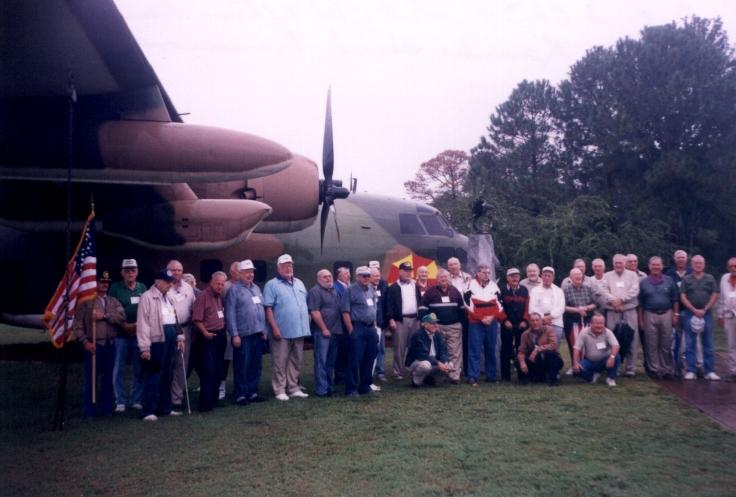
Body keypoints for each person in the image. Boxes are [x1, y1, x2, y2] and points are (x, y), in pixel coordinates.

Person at [74, 271, 125, 417]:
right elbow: (78, 326)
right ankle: (89, 409)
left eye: (107, 282)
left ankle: (106, 408)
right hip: (94, 345)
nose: (105, 285)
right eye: (102, 282)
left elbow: (121, 317)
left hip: (110, 344)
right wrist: (85, 342)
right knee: (91, 379)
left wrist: (104, 316)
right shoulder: (86, 303)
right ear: (94, 283)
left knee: (108, 378)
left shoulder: (113, 301)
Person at [137, 269, 185, 421]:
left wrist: (179, 336)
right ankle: (148, 410)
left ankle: (165, 407)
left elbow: (174, 318)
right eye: (167, 282)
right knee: (153, 375)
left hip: (170, 338)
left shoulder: (168, 297)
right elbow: (143, 323)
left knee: (167, 374)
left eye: (171, 282)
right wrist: (144, 347)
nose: (170, 285)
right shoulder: (147, 297)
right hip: (156, 340)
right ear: (157, 282)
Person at [263, 254, 311, 400]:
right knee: (280, 362)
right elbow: (268, 308)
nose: (288, 268)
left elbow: (305, 304)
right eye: (285, 266)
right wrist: (275, 328)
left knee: (296, 361)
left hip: (299, 330)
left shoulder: (299, 283)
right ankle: (279, 390)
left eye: (290, 265)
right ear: (278, 268)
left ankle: (293, 388)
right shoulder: (271, 285)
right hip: (281, 331)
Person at [226, 260, 268, 405]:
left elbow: (261, 310)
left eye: (252, 272)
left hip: (257, 333)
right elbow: (230, 313)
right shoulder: (234, 290)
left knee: (255, 365)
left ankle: (253, 392)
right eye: (247, 272)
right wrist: (234, 334)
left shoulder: (256, 288)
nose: (250, 274)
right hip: (243, 335)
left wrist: (264, 330)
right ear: (240, 274)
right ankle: (240, 394)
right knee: (242, 365)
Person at [108, 258, 146, 412]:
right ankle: (120, 400)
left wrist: (137, 325)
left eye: (133, 270)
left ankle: (136, 399)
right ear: (122, 273)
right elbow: (111, 310)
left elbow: (146, 308)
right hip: (120, 334)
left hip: (138, 334)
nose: (130, 273)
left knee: (139, 368)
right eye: (127, 271)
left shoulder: (142, 287)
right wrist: (124, 325)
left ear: (137, 272)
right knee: (119, 368)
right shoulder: (115, 288)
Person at [421, 269, 465, 383]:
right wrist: (424, 322)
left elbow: (462, 309)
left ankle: (454, 375)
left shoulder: (455, 291)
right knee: (439, 351)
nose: (443, 279)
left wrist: (461, 323)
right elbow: (423, 308)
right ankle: (440, 375)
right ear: (437, 279)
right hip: (437, 326)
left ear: (449, 278)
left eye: (445, 277)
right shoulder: (430, 292)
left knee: (455, 352)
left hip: (454, 326)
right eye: (441, 277)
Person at [680, 255, 720, 381]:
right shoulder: (686, 279)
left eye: (700, 263)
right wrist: (693, 309)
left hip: (706, 313)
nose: (698, 265)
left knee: (708, 343)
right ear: (691, 265)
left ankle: (710, 371)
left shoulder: (710, 278)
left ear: (704, 264)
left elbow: (715, 294)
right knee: (690, 343)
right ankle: (691, 370)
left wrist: (705, 309)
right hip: (690, 313)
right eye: (696, 263)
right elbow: (683, 296)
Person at [638, 256, 679, 379]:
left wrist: (675, 314)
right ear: (649, 266)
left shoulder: (669, 280)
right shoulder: (644, 282)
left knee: (666, 343)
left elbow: (675, 299)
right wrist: (641, 320)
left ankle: (667, 369)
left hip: (666, 314)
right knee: (652, 344)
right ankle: (654, 369)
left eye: (658, 265)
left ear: (662, 266)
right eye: (653, 265)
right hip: (649, 314)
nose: (656, 267)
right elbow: (640, 304)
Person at [600, 254, 640, 376]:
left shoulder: (633, 275)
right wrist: (614, 301)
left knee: (632, 338)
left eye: (620, 263)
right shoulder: (607, 275)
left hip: (629, 310)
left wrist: (621, 300)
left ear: (625, 264)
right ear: (613, 264)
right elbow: (603, 290)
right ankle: (616, 366)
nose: (618, 265)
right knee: (613, 338)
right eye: (616, 263)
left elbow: (634, 290)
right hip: (613, 311)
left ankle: (630, 368)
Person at [191, 272, 227, 411]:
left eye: (222, 284)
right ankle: (205, 404)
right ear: (211, 282)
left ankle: (214, 400)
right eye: (217, 283)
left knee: (218, 369)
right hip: (207, 337)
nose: (220, 286)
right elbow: (197, 319)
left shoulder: (219, 296)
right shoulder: (203, 296)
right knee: (208, 370)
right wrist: (205, 333)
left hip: (219, 336)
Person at [341, 266, 378, 397]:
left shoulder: (371, 289)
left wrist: (374, 325)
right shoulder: (350, 290)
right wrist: (351, 329)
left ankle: (365, 386)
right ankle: (351, 389)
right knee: (354, 359)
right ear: (357, 277)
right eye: (364, 276)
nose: (367, 278)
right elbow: (345, 311)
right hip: (358, 327)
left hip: (370, 328)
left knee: (369, 358)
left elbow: (373, 308)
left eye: (368, 275)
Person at [465, 264, 505, 385]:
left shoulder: (494, 285)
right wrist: (481, 318)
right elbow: (467, 304)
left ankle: (491, 376)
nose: (487, 275)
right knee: (475, 349)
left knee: (491, 349)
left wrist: (492, 317)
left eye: (488, 273)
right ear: (478, 273)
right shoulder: (469, 284)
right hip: (476, 322)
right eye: (484, 272)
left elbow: (500, 303)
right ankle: (473, 376)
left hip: (491, 322)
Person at [307, 269, 342, 397]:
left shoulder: (334, 291)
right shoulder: (315, 291)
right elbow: (314, 312)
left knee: (330, 362)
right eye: (325, 277)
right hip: (322, 333)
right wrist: (324, 329)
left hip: (335, 332)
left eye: (330, 276)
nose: (328, 279)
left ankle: (329, 387)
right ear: (318, 279)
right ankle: (321, 389)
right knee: (321, 361)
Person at [167, 260, 196, 410]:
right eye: (173, 270)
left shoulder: (188, 288)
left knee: (182, 365)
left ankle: (176, 399)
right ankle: (164, 397)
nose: (176, 273)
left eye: (179, 270)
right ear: (168, 271)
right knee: (168, 364)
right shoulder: (164, 287)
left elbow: (193, 307)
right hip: (168, 330)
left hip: (185, 329)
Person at [385, 262, 421, 380]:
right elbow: (389, 304)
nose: (408, 273)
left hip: (415, 319)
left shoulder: (415, 285)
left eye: (410, 270)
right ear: (400, 272)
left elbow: (419, 301)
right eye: (406, 270)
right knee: (399, 347)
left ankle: (412, 369)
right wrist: (391, 319)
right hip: (400, 320)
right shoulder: (393, 287)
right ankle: (398, 371)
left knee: (414, 346)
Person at [665, 249, 693, 376]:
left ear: (686, 259)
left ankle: (689, 368)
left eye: (683, 257)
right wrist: (673, 312)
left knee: (689, 342)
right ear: (674, 259)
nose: (681, 259)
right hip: (673, 311)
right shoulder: (669, 273)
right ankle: (674, 368)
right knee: (674, 341)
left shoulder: (692, 272)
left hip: (689, 311)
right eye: (678, 257)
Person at [573, 313, 621, 386]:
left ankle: (611, 378)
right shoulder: (584, 332)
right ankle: (593, 376)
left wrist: (612, 357)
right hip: (590, 361)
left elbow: (616, 346)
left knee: (616, 357)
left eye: (601, 323)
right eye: (596, 323)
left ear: (604, 324)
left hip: (605, 361)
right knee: (578, 369)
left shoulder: (608, 332)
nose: (599, 326)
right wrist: (575, 363)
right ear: (591, 324)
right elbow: (576, 348)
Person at [405, 313, 450, 387]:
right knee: (425, 365)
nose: (435, 325)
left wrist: (445, 362)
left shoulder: (437, 334)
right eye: (432, 323)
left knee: (450, 365)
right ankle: (416, 381)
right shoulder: (418, 335)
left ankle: (430, 379)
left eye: (436, 323)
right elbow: (423, 356)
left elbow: (443, 351)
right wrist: (438, 363)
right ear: (424, 324)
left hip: (432, 361)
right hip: (416, 362)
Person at [499, 267, 529, 382]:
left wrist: (525, 320)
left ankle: (522, 375)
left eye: (516, 276)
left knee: (521, 349)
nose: (514, 278)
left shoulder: (524, 290)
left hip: (521, 325)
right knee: (505, 349)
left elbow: (528, 306)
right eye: (512, 276)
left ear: (519, 277)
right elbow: (499, 306)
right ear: (507, 278)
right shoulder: (501, 290)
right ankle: (505, 376)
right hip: (506, 324)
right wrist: (504, 320)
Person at [517, 313, 563, 386]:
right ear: (529, 322)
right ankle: (527, 377)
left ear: (541, 321)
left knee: (550, 353)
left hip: (549, 359)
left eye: (537, 320)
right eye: (532, 320)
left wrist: (537, 349)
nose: (535, 323)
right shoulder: (525, 334)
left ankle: (553, 379)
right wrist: (522, 362)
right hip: (536, 361)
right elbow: (521, 351)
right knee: (518, 360)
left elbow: (554, 345)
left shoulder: (549, 329)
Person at [528, 266, 565, 346]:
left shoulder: (559, 291)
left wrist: (550, 317)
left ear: (553, 277)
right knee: (538, 348)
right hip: (538, 323)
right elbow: (532, 308)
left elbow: (561, 308)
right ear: (541, 276)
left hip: (555, 323)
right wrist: (542, 318)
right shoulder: (534, 290)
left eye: (549, 276)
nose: (547, 278)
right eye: (545, 275)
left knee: (554, 348)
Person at [369, 263, 389, 383]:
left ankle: (379, 372)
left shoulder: (383, 286)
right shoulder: (366, 289)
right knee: (372, 349)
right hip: (370, 325)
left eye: (378, 275)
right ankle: (368, 374)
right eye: (375, 276)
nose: (377, 278)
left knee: (381, 349)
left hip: (380, 324)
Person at [717, 257, 736, 382]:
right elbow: (721, 299)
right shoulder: (724, 278)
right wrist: (720, 315)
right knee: (731, 344)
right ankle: (734, 371)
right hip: (729, 316)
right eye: (731, 266)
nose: (733, 268)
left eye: (735, 266)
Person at [333, 266, 351, 385]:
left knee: (348, 350)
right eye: (346, 273)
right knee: (341, 350)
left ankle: (346, 373)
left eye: (349, 273)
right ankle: (340, 376)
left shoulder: (349, 286)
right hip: (341, 324)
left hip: (349, 323)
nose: (349, 275)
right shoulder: (336, 288)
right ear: (339, 275)